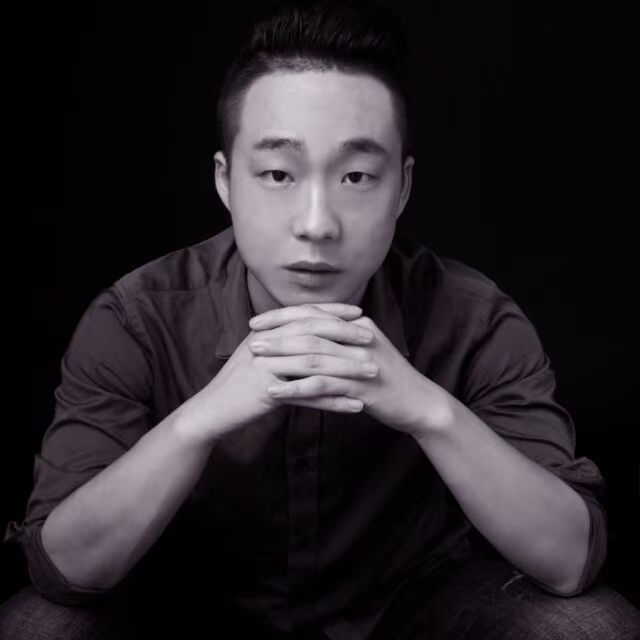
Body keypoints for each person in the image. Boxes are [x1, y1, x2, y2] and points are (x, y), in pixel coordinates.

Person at [2, 0, 639, 638]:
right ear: (225, 181)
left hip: (410, 613)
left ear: (402, 188)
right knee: (41, 627)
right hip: (190, 611)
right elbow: (63, 570)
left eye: (356, 176)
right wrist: (198, 421)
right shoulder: (136, 320)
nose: (316, 224)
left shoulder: (477, 321)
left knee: (587, 626)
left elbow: (570, 562)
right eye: (278, 173)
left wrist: (428, 409)